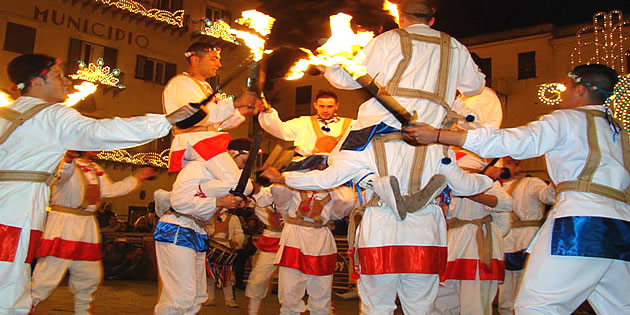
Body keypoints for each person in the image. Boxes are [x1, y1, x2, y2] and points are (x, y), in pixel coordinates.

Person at [261, 0, 487, 313]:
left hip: (381, 227)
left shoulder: (363, 143)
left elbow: (344, 82)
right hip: (426, 228)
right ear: (432, 19)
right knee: (421, 307)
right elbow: (475, 86)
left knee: (377, 306)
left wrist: (285, 176)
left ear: (400, 16)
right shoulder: (454, 54)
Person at [403, 64, 629, 314]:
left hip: (581, 223)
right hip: (621, 225)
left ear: (579, 90)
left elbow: (511, 142)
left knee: (536, 307)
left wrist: (438, 135)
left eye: (567, 87)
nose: (563, 94)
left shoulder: (567, 119)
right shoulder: (619, 131)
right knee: (621, 306)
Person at [0, 53, 196, 314]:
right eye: (58, 76)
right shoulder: (54, 115)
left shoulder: (5, 114)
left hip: (16, 206)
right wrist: (165, 121)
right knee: (10, 285)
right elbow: (99, 132)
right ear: (37, 81)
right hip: (16, 210)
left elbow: (108, 183)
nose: (67, 82)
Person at [30, 150, 154, 314]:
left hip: (87, 226)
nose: (98, 146)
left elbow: (111, 190)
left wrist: (137, 177)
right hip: (64, 224)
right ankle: (22, 308)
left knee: (89, 276)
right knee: (47, 276)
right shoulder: (63, 162)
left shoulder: (94, 168)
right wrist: (68, 159)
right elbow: (63, 173)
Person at [152, 137, 253, 314]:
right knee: (181, 296)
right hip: (177, 227)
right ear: (231, 154)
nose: (243, 168)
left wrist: (229, 203)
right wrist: (218, 202)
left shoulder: (221, 179)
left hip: (197, 231)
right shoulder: (196, 167)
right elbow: (179, 201)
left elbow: (206, 208)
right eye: (243, 161)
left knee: (198, 295)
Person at [435, 153, 513, 315]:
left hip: (478, 248)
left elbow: (506, 204)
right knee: (442, 303)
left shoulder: (488, 185)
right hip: (452, 248)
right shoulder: (445, 188)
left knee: (474, 305)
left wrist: (470, 192)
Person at [163, 41, 257, 173]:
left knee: (198, 187)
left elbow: (217, 121)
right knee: (233, 179)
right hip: (195, 143)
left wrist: (241, 110)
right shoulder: (181, 83)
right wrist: (236, 103)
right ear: (195, 59)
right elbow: (201, 115)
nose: (219, 64)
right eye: (214, 59)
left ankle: (170, 195)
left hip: (206, 142)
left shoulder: (205, 87)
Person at [495, 157, 555, 315]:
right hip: (503, 243)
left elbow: (548, 197)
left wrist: (555, 179)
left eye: (507, 162)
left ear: (518, 167)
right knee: (505, 293)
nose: (502, 166)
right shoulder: (490, 187)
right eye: (500, 163)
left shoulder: (530, 183)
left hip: (528, 241)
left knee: (527, 288)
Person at [256, 89, 353, 156]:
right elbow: (280, 129)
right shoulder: (303, 122)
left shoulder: (350, 124)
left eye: (330, 106)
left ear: (337, 106)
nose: (325, 110)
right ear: (315, 105)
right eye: (321, 106)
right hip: (306, 169)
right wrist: (268, 112)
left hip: (337, 170)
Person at [245, 185, 288, 315]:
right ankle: (252, 311)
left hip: (292, 238)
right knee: (258, 278)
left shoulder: (289, 190)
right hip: (271, 239)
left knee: (294, 282)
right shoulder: (255, 198)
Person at [205, 210, 245, 308]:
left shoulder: (233, 218)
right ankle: (210, 298)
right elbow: (204, 229)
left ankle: (229, 299)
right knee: (210, 276)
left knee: (227, 276)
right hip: (212, 248)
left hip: (227, 248)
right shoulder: (210, 216)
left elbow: (239, 232)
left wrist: (237, 241)